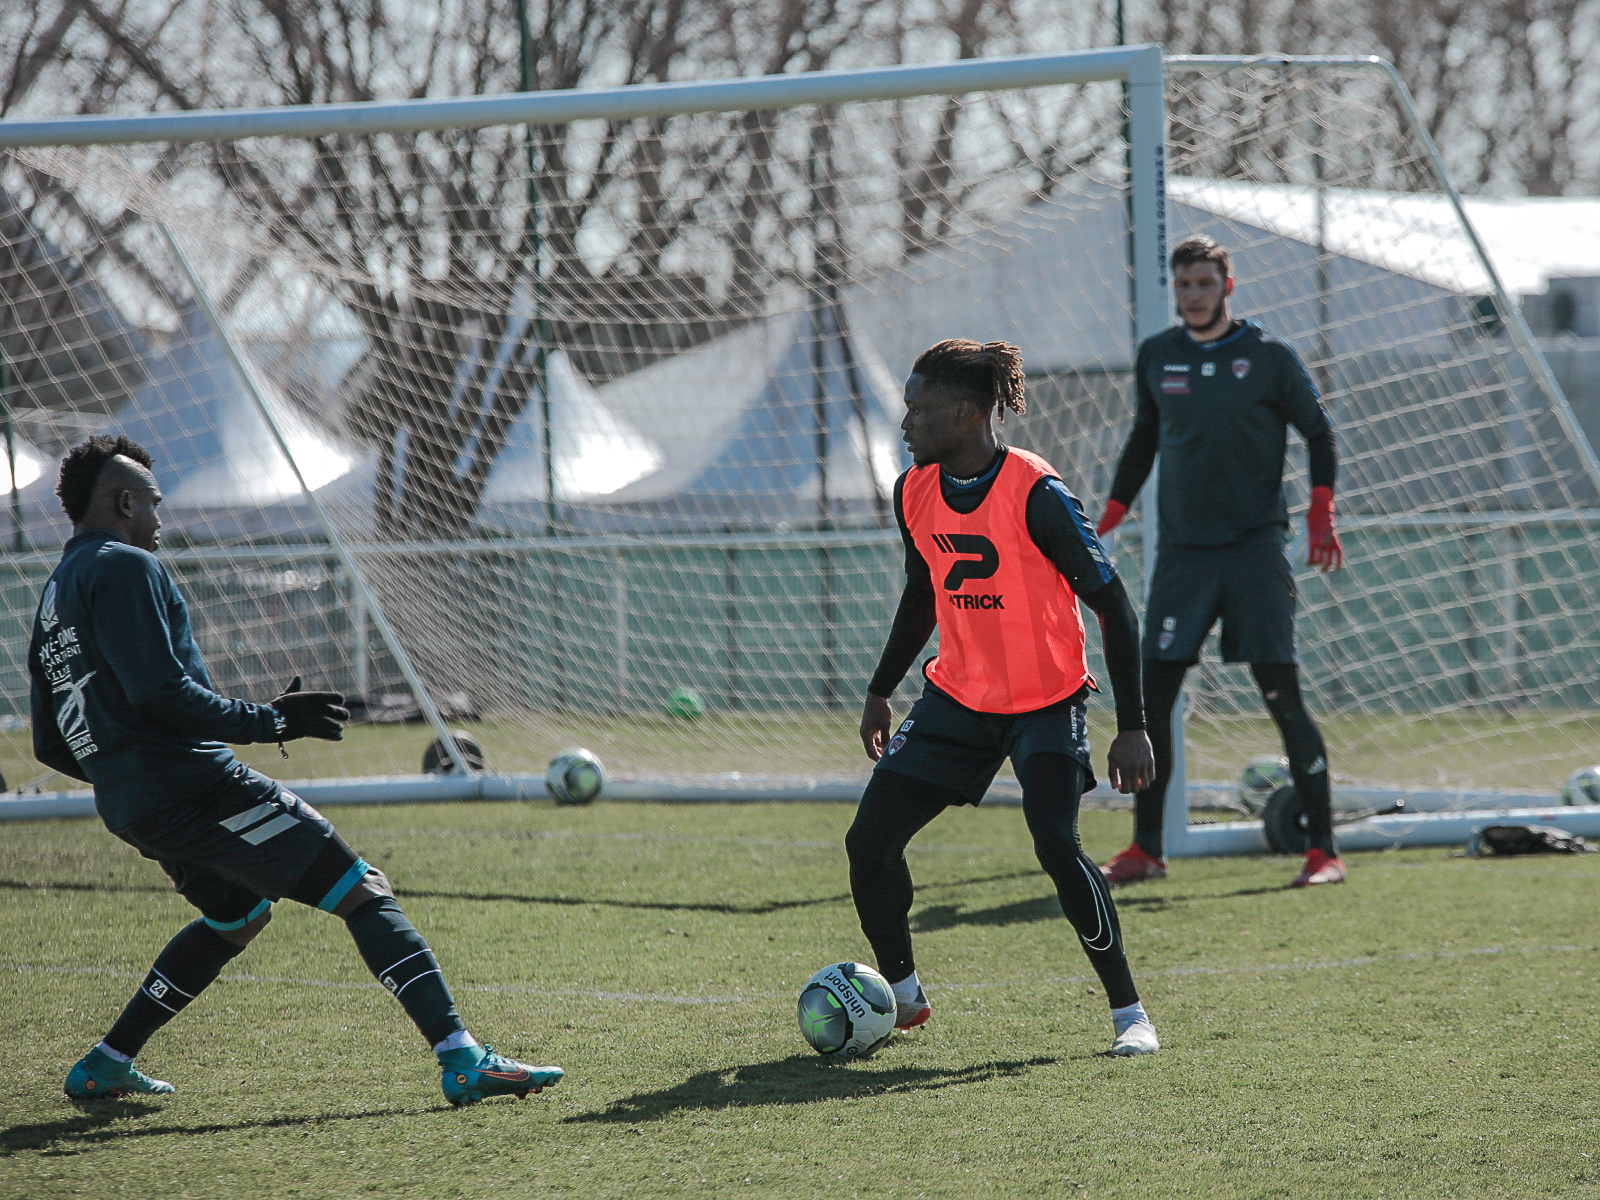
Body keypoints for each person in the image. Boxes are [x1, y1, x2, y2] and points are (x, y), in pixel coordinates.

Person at [32, 435, 561, 1105]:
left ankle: (108, 1061)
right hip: (196, 788)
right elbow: (160, 691)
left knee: (238, 918)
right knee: (361, 889)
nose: (160, 520)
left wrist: (125, 774)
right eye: (154, 505)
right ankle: (462, 1058)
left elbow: (52, 742)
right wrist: (273, 720)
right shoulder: (128, 568)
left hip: (133, 805)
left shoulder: (55, 596)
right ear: (125, 500)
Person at [850, 338, 1161, 1057]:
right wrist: (878, 689)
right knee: (868, 842)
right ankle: (902, 996)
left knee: (1056, 842)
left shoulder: (1037, 493)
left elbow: (1114, 605)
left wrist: (1133, 726)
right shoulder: (914, 490)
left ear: (965, 414)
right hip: (957, 698)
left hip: (1045, 700)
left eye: (918, 411)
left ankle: (1129, 1014)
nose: (906, 426)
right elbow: (923, 591)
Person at [1095, 235, 1347, 890]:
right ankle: (1146, 849)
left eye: (1205, 284)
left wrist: (1322, 513)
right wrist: (1112, 514)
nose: (1194, 295)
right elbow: (1144, 437)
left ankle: (1323, 851)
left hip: (1254, 549)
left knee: (1280, 693)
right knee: (1152, 700)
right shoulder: (1158, 356)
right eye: (1184, 286)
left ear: (1227, 287)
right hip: (1182, 555)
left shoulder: (1267, 357)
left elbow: (1319, 432)